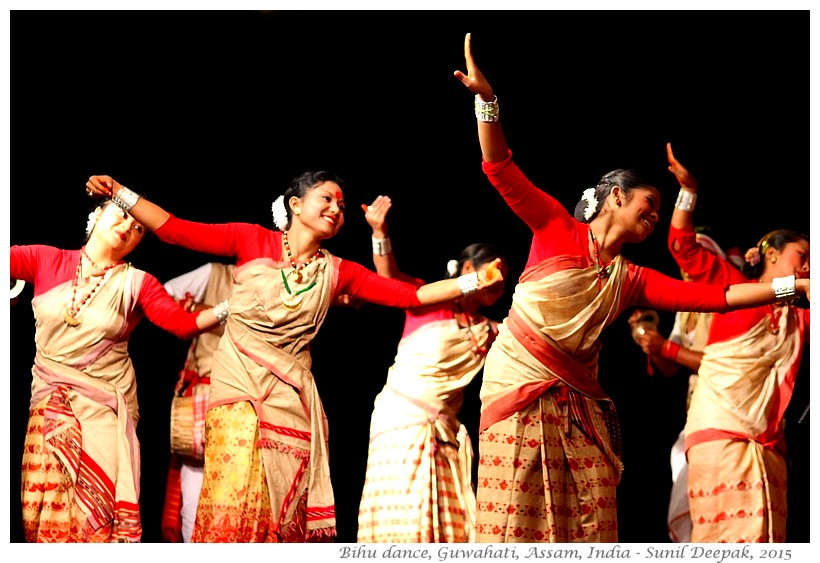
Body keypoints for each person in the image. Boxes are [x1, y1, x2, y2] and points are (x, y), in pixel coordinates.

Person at [452, 32, 810, 542]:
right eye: (649, 204)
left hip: (580, 401)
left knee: (589, 521)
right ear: (616, 196)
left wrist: (790, 292)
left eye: (660, 212)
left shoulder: (632, 278)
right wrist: (487, 102)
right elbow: (500, 169)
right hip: (519, 388)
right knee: (516, 513)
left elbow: (720, 298)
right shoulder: (557, 227)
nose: (654, 216)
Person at [84, 170, 505, 543]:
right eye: (327, 198)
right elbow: (175, 229)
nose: (336, 208)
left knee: (281, 513)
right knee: (231, 500)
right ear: (295, 203)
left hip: (291, 404)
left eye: (341, 205)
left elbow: (410, 294)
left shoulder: (340, 270)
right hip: (237, 395)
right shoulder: (251, 239)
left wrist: (474, 284)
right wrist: (122, 193)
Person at [10, 197, 228, 543]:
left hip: (103, 415)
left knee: (96, 520)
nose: (128, 227)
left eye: (139, 227)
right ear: (96, 215)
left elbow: (181, 325)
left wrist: (229, 308)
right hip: (49, 407)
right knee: (43, 514)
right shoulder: (46, 259)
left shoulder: (138, 282)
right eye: (122, 216)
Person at [665, 143, 810, 543]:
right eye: (802, 255)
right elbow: (682, 244)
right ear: (771, 254)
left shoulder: (800, 316)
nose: (809, 265)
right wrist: (689, 190)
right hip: (720, 433)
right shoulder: (730, 287)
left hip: (771, 446)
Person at [356, 196, 509, 543]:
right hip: (401, 422)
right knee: (404, 523)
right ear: (469, 270)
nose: (499, 282)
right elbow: (389, 277)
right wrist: (380, 231)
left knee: (447, 531)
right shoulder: (430, 298)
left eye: (504, 278)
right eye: (494, 272)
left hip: (444, 431)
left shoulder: (490, 329)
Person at [627, 232, 743, 543]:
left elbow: (723, 364)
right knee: (696, 495)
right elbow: (670, 367)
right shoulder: (687, 308)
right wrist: (649, 340)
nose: (689, 269)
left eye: (696, 260)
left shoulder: (734, 301)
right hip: (699, 410)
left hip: (730, 409)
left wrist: (664, 346)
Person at [160, 261, 235, 543]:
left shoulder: (280, 279)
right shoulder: (217, 274)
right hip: (209, 397)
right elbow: (163, 297)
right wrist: (207, 311)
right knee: (196, 500)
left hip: (257, 402)